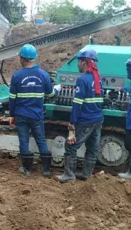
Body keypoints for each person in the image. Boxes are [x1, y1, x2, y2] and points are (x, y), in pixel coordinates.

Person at [9, 44, 61, 176]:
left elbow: (12, 99)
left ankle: (27, 169)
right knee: (41, 140)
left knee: (24, 141)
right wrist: (57, 89)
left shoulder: (16, 76)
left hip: (21, 114)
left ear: (22, 58)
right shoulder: (43, 75)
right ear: (34, 58)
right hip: (37, 115)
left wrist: (11, 115)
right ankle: (46, 170)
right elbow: (50, 95)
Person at [57, 48, 104, 183]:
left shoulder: (82, 80)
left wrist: (72, 122)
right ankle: (86, 174)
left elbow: (77, 104)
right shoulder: (98, 79)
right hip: (98, 119)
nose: (77, 65)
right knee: (92, 148)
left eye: (79, 62)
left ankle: (69, 175)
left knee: (71, 147)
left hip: (86, 120)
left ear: (84, 62)